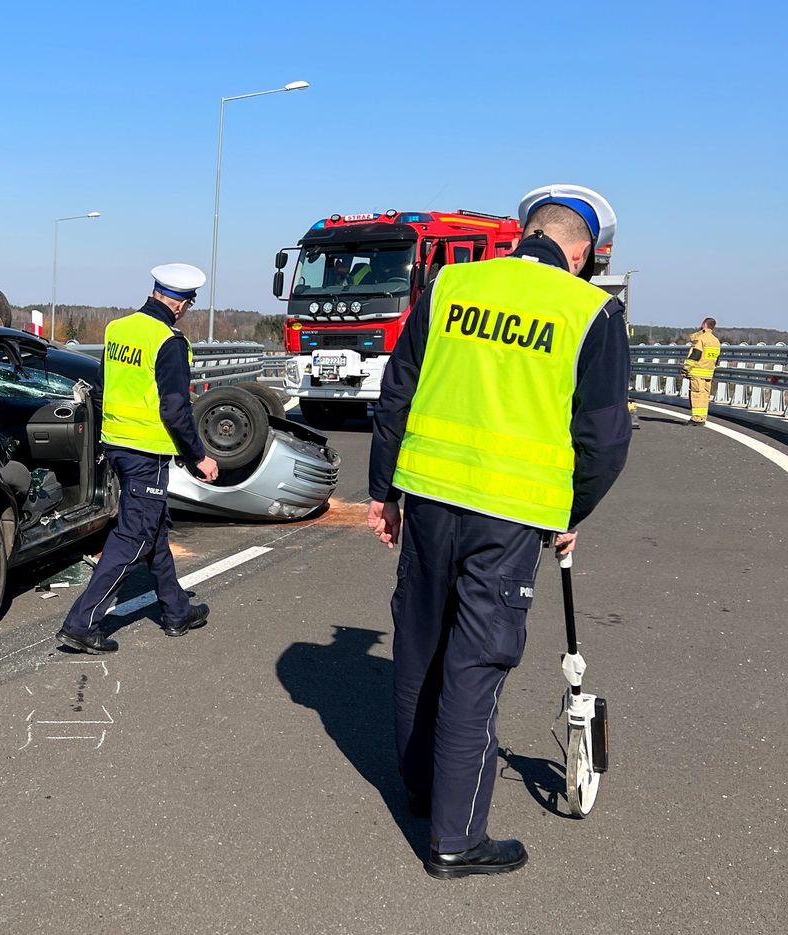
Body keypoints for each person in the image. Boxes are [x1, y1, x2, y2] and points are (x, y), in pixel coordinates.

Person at [366, 183, 632, 878]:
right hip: (510, 516)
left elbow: (400, 386)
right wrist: (570, 512)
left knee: (420, 642)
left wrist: (381, 490)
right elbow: (603, 439)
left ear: (526, 233)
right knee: (476, 665)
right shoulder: (590, 311)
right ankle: (456, 838)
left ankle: (423, 789)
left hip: (427, 496)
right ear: (582, 252)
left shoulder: (453, 284)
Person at [55, 264, 219, 655]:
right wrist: (199, 456)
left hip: (117, 445)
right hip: (147, 452)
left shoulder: (118, 330)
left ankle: (176, 611)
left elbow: (100, 390)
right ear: (182, 304)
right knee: (132, 537)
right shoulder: (169, 342)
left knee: (155, 527)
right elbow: (176, 410)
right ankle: (82, 624)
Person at [682, 317, 721, 425]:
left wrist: (685, 368)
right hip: (708, 373)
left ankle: (696, 418)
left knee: (696, 395)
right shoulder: (716, 341)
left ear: (704, 324)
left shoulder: (701, 339)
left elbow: (696, 355)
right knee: (704, 396)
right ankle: (702, 417)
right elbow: (717, 359)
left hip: (698, 371)